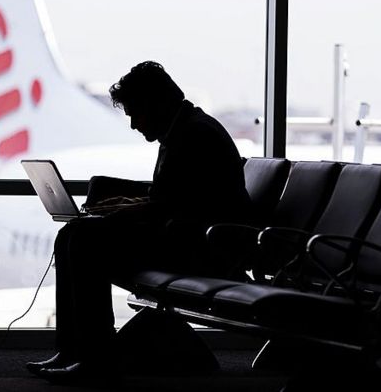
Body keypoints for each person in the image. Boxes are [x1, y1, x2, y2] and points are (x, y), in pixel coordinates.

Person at [26, 60, 251, 384]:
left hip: (200, 249)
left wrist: (121, 213)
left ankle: (94, 357)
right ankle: (73, 349)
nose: (132, 124)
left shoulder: (194, 136)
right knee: (72, 235)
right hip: (188, 237)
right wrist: (124, 205)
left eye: (134, 113)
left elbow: (180, 208)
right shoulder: (185, 130)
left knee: (85, 240)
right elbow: (176, 198)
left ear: (155, 103)